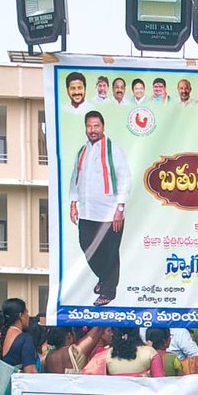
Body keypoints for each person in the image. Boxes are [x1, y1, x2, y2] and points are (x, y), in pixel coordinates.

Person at [68, 110, 131, 307]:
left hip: (110, 211)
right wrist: (73, 203)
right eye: (89, 126)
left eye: (96, 126)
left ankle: (108, 292)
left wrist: (120, 208)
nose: (93, 130)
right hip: (88, 211)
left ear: (103, 127)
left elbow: (124, 178)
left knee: (110, 252)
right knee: (87, 246)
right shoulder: (82, 151)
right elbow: (75, 179)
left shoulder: (113, 150)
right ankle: (104, 278)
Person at [0, 298, 39, 373]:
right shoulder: (24, 339)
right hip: (15, 384)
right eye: (27, 313)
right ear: (20, 315)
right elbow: (31, 372)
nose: (28, 316)